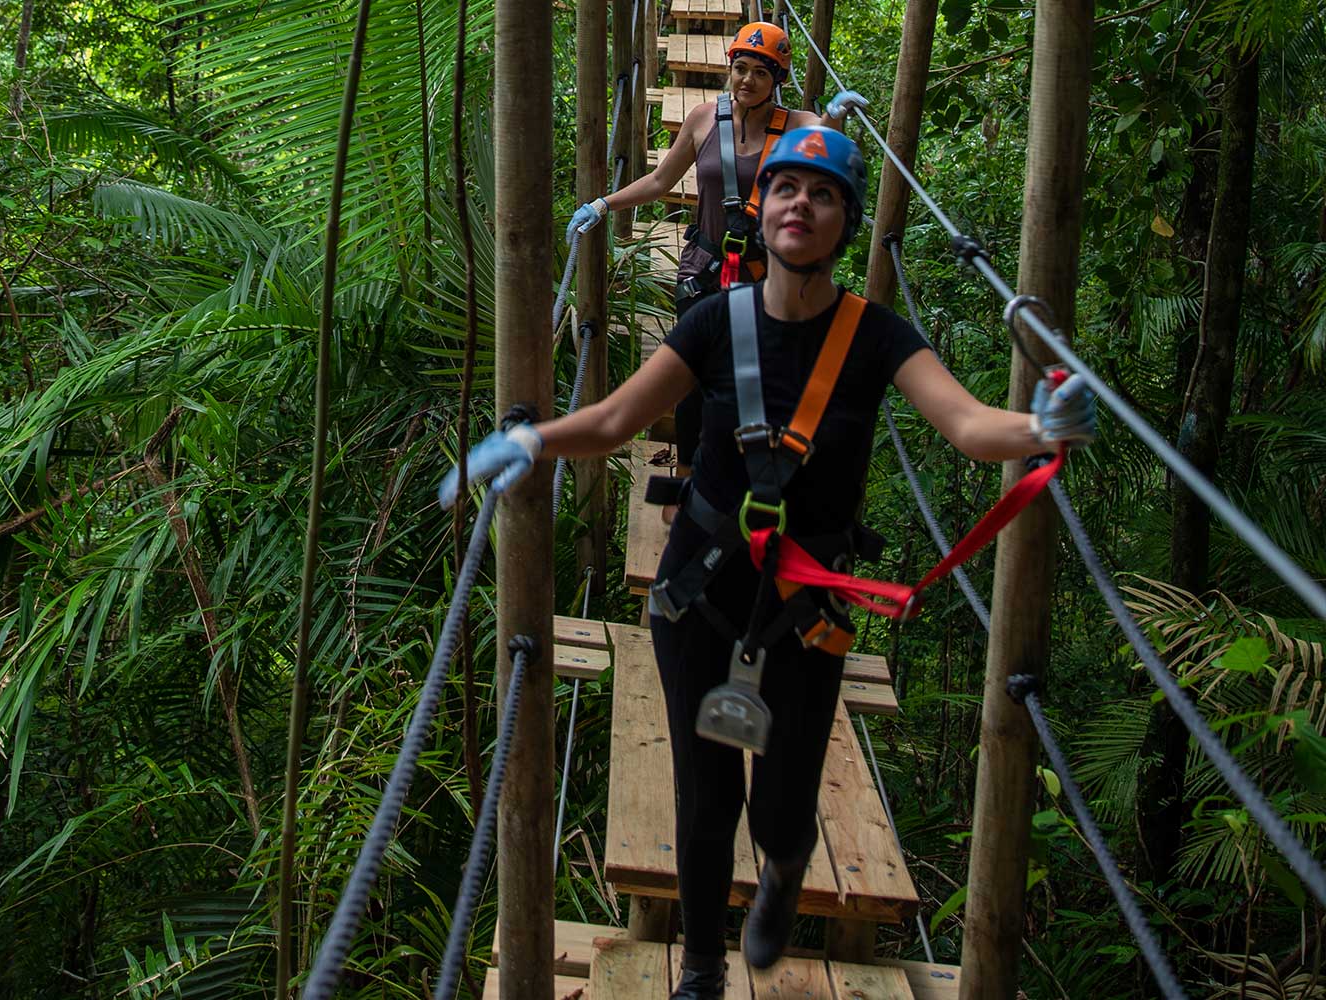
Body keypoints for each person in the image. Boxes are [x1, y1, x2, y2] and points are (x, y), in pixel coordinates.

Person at [441, 127, 1097, 998]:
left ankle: (783, 876)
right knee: (704, 801)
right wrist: (531, 441)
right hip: (697, 595)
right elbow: (614, 421)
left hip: (804, 611)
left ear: (844, 222)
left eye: (823, 195)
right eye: (787, 187)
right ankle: (704, 969)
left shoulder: (876, 338)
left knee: (784, 809)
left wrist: (1039, 431)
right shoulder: (714, 321)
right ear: (763, 205)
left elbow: (969, 425)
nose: (801, 205)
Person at [565, 21, 870, 481]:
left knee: (755, 384)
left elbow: (825, 145)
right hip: (703, 270)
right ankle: (688, 481)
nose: (747, 80)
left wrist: (836, 118)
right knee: (693, 382)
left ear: (777, 82)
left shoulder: (797, 127)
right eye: (740, 68)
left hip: (765, 278)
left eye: (760, 74)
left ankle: (740, 484)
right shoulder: (703, 118)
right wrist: (604, 203)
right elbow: (660, 181)